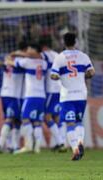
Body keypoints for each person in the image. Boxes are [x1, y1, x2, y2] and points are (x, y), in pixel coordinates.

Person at [51, 32, 95, 161]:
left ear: (63, 42)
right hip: (81, 94)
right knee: (78, 121)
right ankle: (80, 141)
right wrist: (81, 76)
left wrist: (59, 76)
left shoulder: (60, 57)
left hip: (67, 95)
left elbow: (53, 75)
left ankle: (75, 149)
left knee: (70, 123)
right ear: (75, 42)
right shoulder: (83, 56)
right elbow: (91, 72)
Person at [6, 43, 47, 154]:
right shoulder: (44, 63)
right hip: (42, 96)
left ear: (35, 51)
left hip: (31, 95)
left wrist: (13, 55)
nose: (28, 50)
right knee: (37, 121)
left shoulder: (27, 62)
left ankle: (28, 145)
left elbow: (10, 62)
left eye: (30, 48)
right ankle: (37, 147)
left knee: (25, 118)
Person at [0, 41, 27, 153]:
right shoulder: (19, 63)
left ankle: (13, 146)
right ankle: (0, 144)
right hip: (14, 96)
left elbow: (0, 64)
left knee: (17, 121)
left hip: (5, 95)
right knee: (10, 119)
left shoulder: (7, 62)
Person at [39, 36, 66, 152]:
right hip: (61, 88)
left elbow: (36, 56)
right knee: (56, 117)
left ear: (43, 47)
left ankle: (60, 142)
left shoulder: (45, 55)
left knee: (47, 116)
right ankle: (61, 142)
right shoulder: (58, 55)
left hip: (51, 89)